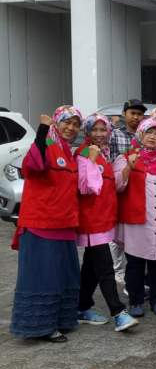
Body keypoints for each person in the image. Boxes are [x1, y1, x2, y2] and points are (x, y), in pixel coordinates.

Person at [10, 106, 83, 342]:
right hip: (42, 225)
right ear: (56, 123)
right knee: (44, 278)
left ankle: (61, 320)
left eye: (75, 124)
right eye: (66, 123)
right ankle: (40, 327)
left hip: (64, 224)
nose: (71, 128)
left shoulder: (68, 151)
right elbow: (32, 166)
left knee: (64, 276)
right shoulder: (46, 145)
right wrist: (42, 129)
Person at [75, 113, 138, 332]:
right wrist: (91, 159)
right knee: (105, 268)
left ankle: (81, 306)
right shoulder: (84, 153)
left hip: (104, 219)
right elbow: (86, 187)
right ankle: (118, 312)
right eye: (95, 130)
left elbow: (116, 186)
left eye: (104, 130)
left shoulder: (104, 155)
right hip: (92, 221)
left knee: (91, 269)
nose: (100, 134)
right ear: (87, 132)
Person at [114, 118, 156, 318]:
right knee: (134, 264)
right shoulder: (126, 157)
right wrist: (128, 168)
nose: (153, 137)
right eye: (149, 132)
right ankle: (135, 300)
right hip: (137, 221)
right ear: (140, 134)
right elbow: (117, 186)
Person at [108, 99, 148, 283]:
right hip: (118, 185)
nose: (136, 117)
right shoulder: (115, 135)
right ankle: (118, 269)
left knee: (133, 230)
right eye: (132, 113)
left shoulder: (145, 136)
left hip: (140, 187)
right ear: (125, 114)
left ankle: (132, 267)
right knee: (116, 230)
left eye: (139, 114)